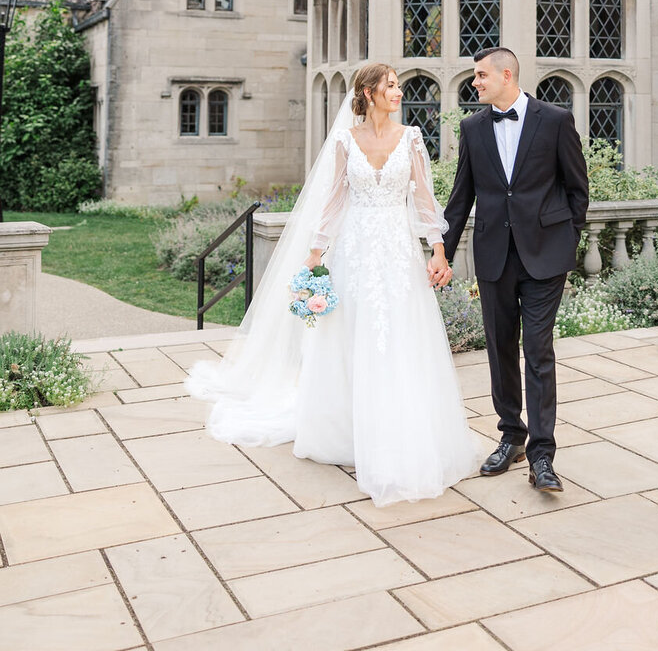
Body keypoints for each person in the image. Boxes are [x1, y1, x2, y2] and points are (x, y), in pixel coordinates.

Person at [187, 63, 480, 507]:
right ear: (369, 92)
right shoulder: (346, 140)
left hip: (398, 254)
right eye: (391, 86)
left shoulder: (413, 138)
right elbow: (336, 199)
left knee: (399, 335)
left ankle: (400, 428)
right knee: (350, 335)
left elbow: (424, 199)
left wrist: (438, 250)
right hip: (355, 252)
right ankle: (346, 430)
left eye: (399, 86)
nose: (399, 92)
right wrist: (315, 251)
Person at [443, 47, 589, 492]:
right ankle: (512, 437)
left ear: (507, 75)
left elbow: (577, 187)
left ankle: (543, 456)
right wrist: (441, 252)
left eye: (481, 75)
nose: (475, 82)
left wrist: (568, 238)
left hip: (546, 255)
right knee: (500, 348)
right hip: (494, 255)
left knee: (538, 352)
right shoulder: (472, 128)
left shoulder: (555, 119)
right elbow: (461, 195)